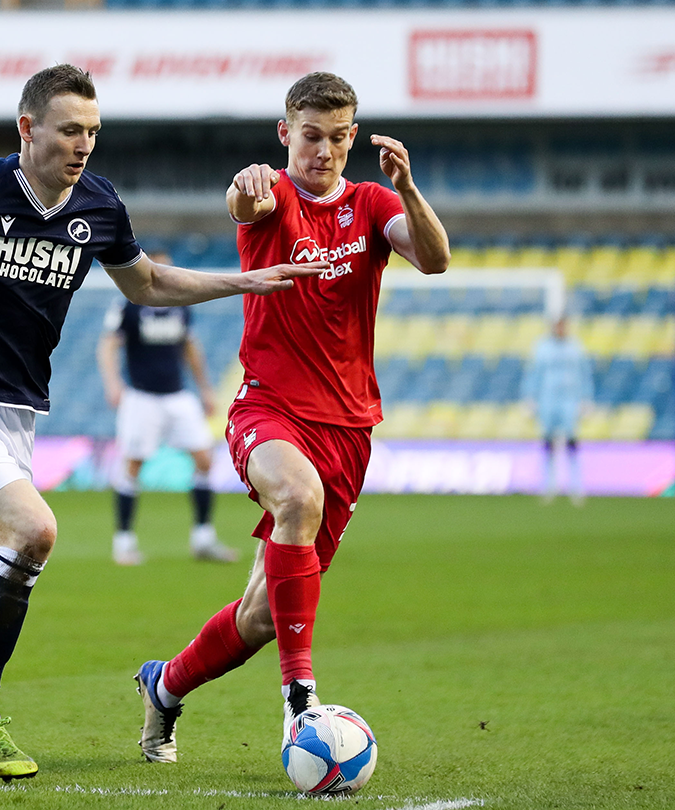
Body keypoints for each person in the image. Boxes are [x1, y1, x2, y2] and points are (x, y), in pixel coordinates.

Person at [0, 64, 324, 782]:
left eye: (93, 131)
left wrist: (240, 283)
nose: (84, 144)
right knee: (34, 530)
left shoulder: (99, 207)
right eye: (70, 130)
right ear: (28, 129)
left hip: (16, 413)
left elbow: (146, 282)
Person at [131, 72, 451, 769]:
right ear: (286, 134)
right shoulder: (271, 193)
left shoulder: (371, 203)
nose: (324, 151)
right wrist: (246, 191)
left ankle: (165, 684)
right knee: (297, 498)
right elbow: (245, 203)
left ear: (353, 139)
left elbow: (434, 259)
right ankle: (300, 698)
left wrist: (410, 187)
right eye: (310, 136)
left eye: (339, 138)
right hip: (268, 409)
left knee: (261, 616)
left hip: (350, 428)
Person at [96, 249, 238, 565]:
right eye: (161, 268)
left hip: (177, 395)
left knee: (204, 459)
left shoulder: (180, 306)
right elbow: (108, 344)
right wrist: (113, 382)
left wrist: (204, 388)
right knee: (133, 465)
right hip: (141, 396)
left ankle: (203, 538)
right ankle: (124, 542)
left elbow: (190, 346)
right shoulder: (129, 304)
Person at [522, 316, 593, 505]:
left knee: (571, 440)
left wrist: (586, 398)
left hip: (570, 399)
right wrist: (530, 397)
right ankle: (548, 485)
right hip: (548, 399)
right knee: (548, 441)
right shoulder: (542, 347)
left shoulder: (575, 347)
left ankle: (576, 486)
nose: (560, 329)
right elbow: (533, 373)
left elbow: (585, 373)